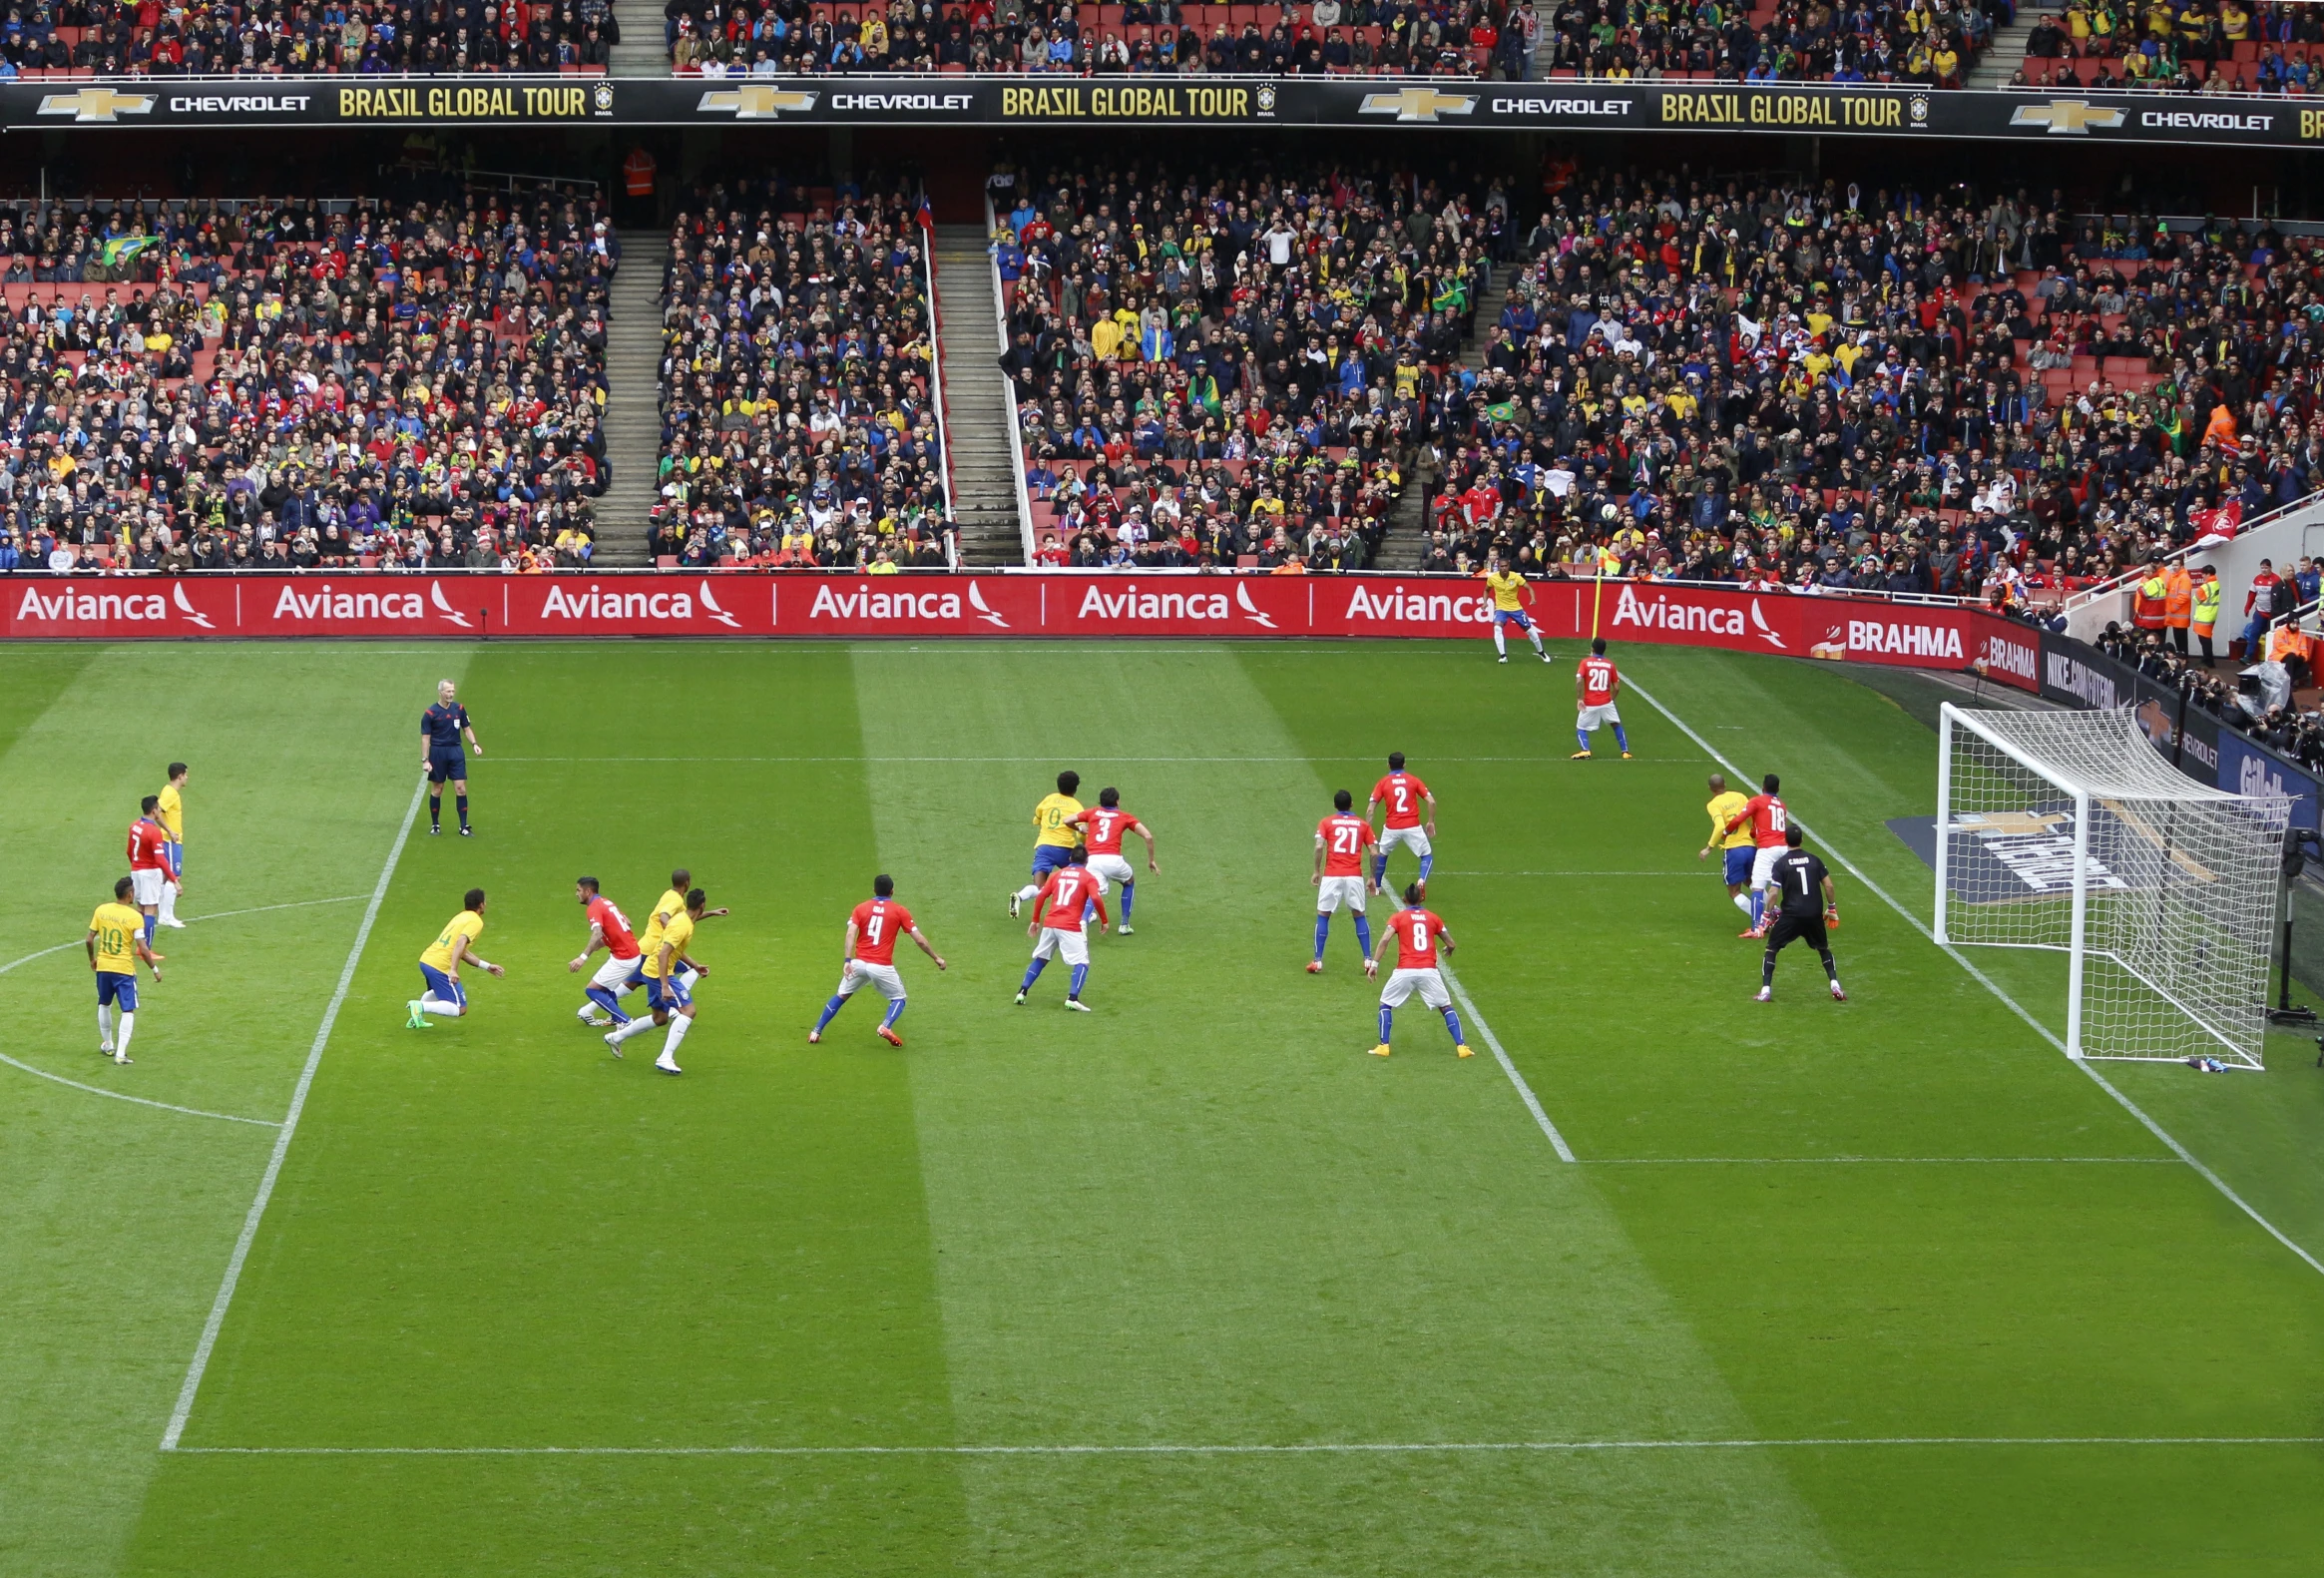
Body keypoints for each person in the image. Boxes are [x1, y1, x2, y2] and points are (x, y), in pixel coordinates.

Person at [811, 873, 947, 1046]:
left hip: (858, 964)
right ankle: (886, 1026)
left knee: (841, 995)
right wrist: (936, 958)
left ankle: (816, 1031)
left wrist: (847, 960)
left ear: (874, 890)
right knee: (899, 998)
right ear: (892, 891)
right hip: (881, 966)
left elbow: (851, 933)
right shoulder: (899, 911)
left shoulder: (860, 908)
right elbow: (919, 940)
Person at [607, 888, 709, 1074]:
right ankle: (665, 1057)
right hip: (658, 973)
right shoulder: (682, 925)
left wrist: (695, 965)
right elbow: (663, 954)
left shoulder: (681, 920)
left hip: (651, 970)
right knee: (689, 1011)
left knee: (660, 1018)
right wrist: (664, 986)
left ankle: (616, 1037)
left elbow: (673, 949)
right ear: (702, 905)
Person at [1364, 883, 1471, 1059]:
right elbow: (1450, 943)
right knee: (1446, 1007)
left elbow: (1384, 940)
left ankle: (1384, 1046)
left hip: (1405, 970)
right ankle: (1462, 1047)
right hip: (1429, 970)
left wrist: (1374, 964)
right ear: (1422, 898)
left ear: (1404, 899)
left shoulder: (1398, 918)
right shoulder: (1433, 918)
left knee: (1385, 1004)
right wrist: (1449, 949)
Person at [1755, 825, 1845, 1002]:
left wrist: (1766, 915)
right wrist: (1832, 907)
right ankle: (1835, 984)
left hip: (1791, 915)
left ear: (1785, 841)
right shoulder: (1814, 860)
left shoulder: (1781, 864)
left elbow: (1773, 893)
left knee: (1771, 948)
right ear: (1802, 840)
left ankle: (1766, 990)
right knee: (1823, 949)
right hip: (1814, 914)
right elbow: (1829, 886)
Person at [1017, 847, 1107, 1010]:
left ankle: (1022, 992)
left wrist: (1035, 920)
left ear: (1070, 858)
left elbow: (1042, 896)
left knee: (1041, 958)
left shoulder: (1056, 875)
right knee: (1082, 962)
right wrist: (1104, 920)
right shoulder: (1088, 877)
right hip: (1070, 926)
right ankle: (1073, 998)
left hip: (1050, 923)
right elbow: (1095, 897)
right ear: (1086, 861)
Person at [88, 875, 163, 1065]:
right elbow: (143, 949)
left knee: (104, 1004)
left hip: (103, 966)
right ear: (130, 895)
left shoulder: (102, 910)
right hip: (124, 970)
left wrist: (92, 960)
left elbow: (89, 939)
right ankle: (120, 1054)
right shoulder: (135, 917)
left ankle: (108, 1044)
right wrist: (154, 969)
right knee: (127, 1010)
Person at [407, 887, 504, 1026]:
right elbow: (460, 942)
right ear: (481, 904)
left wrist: (487, 966)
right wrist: (453, 969)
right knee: (460, 1008)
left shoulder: (460, 917)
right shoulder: (475, 921)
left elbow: (461, 951)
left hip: (427, 960)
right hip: (439, 965)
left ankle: (416, 1020)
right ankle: (419, 1007)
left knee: (436, 991)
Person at [1070, 789, 1158, 934]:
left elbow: (1067, 820)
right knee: (1129, 882)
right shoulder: (1124, 816)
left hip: (1091, 860)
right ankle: (1124, 925)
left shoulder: (1093, 812)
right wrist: (1151, 860)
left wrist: (1080, 828)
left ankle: (1083, 920)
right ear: (1117, 801)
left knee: (1094, 891)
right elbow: (1148, 836)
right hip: (1113, 860)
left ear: (1100, 801)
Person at [1309, 788, 1376, 974]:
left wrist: (1316, 870)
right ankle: (1368, 960)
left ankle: (1317, 961)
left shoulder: (1326, 822)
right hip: (1354, 875)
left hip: (1332, 874)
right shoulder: (1363, 825)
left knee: (1323, 914)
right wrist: (1372, 877)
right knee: (1359, 914)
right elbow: (1374, 852)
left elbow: (1319, 846)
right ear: (1352, 804)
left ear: (1334, 805)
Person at [637, 866, 727, 1001]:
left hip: (647, 945)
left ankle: (603, 1011)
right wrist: (672, 931)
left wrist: (712, 913)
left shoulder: (669, 894)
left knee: (633, 983)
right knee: (692, 970)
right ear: (687, 882)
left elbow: (689, 916)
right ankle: (677, 1000)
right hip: (659, 946)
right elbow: (664, 917)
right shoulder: (676, 900)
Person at [567, 876, 643, 1028]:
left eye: (578, 890)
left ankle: (625, 1021)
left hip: (624, 956)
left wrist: (582, 958)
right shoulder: (606, 902)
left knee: (592, 990)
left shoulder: (593, 907)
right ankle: (617, 1019)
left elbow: (597, 933)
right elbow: (626, 922)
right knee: (605, 988)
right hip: (630, 951)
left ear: (588, 891)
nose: (576, 894)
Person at [1722, 773, 1791, 937]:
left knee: (1757, 887)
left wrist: (1727, 831)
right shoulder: (1781, 805)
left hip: (1767, 849)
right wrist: (1754, 833)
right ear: (1778, 788)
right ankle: (1779, 916)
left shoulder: (1757, 801)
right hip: (1784, 848)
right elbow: (1766, 826)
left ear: (1763, 788)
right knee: (1781, 886)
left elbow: (1740, 818)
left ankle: (1756, 928)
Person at [1010, 770, 1086, 917]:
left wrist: (1039, 821)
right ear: (1075, 788)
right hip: (1065, 849)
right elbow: (1081, 832)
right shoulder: (1076, 806)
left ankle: (1019, 897)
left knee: (1039, 888)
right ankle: (1085, 914)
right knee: (1081, 878)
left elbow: (1037, 817)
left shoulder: (1048, 799)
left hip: (1044, 847)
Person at [1367, 752, 1436, 896]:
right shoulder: (1413, 780)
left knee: (1382, 855)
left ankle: (1377, 887)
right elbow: (1431, 801)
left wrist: (1367, 830)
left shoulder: (1383, 782)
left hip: (1392, 826)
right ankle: (1422, 879)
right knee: (1426, 855)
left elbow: (1371, 809)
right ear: (1404, 764)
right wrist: (1430, 822)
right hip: (1412, 825)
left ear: (1388, 765)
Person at [420, 680, 483, 837]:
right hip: (438, 753)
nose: (451, 694)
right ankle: (435, 825)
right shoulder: (430, 713)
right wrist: (425, 760)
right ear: (440, 692)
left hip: (455, 751)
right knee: (438, 789)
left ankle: (463, 826)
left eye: (452, 691)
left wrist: (474, 744)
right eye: (448, 691)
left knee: (461, 788)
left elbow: (466, 728)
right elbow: (425, 738)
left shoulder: (459, 709)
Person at [1697, 773, 1758, 924]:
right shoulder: (1740, 796)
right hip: (1750, 847)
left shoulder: (1713, 804)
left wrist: (1709, 848)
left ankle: (1762, 918)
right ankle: (1773, 910)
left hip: (1734, 850)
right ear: (1725, 785)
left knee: (1734, 891)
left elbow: (1720, 827)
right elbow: (1753, 817)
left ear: (1710, 789)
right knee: (1753, 883)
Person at [126, 795, 179, 948]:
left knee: (140, 908)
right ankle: (145, 949)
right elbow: (160, 859)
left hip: (136, 871)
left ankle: (138, 946)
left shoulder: (134, 825)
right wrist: (174, 880)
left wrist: (135, 865)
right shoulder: (154, 831)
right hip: (149, 873)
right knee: (150, 909)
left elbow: (128, 851)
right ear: (154, 810)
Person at [1481, 554, 1549, 664]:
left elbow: (1528, 587)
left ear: (1509, 566)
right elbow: (1486, 590)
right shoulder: (1493, 578)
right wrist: (1484, 602)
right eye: (1501, 566)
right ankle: (1503, 656)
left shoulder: (1515, 577)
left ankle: (1541, 652)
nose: (1503, 568)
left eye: (1505, 566)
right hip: (1501, 608)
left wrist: (1533, 598)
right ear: (1498, 567)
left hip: (1515, 608)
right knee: (1497, 628)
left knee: (1530, 631)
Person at [1572, 637, 1631, 759]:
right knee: (1616, 724)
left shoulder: (1585, 662)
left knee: (1581, 728)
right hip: (1606, 701)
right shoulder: (1610, 664)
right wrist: (1611, 699)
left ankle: (1585, 750)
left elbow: (1578, 681)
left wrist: (1579, 698)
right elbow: (1617, 687)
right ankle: (1625, 752)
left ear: (1592, 649)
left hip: (1590, 702)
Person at [155, 763, 189, 930]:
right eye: (186, 775)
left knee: (166, 877)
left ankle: (164, 916)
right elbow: (157, 811)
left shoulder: (170, 792)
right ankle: (167, 917)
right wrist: (170, 831)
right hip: (170, 840)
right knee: (174, 877)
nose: (187, 778)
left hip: (171, 839)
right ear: (180, 776)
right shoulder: (170, 793)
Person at [2191, 565, 2221, 663]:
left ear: (2208, 574)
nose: (2202, 576)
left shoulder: (2204, 587)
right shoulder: (2216, 583)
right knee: (2206, 638)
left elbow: (2197, 599)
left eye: (2203, 574)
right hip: (2211, 615)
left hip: (2204, 616)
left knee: (2204, 639)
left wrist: (2197, 592)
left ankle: (2208, 660)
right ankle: (2208, 659)